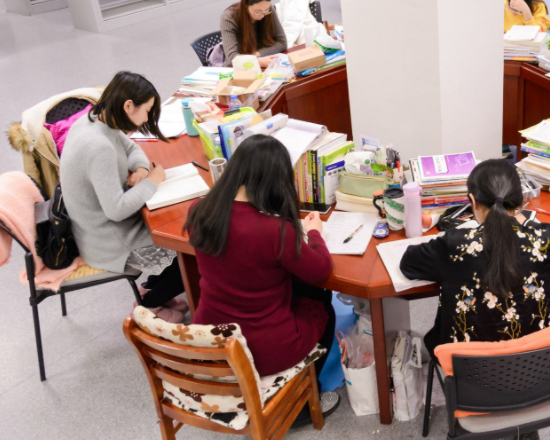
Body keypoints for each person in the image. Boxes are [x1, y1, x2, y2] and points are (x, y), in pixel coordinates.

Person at [186, 134, 340, 421]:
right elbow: (320, 270)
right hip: (265, 349)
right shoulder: (275, 230)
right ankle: (305, 405)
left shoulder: (199, 211)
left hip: (212, 339)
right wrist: (315, 232)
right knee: (321, 302)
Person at [400, 159, 550, 354]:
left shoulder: (455, 245)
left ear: (472, 202)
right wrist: (527, 223)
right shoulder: (544, 240)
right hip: (539, 364)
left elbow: (408, 264)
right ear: (519, 201)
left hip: (467, 370)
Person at [60, 71, 185, 321]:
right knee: (193, 246)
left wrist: (140, 168)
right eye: (147, 110)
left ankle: (153, 288)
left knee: (182, 236)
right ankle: (148, 304)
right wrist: (152, 180)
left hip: (96, 227)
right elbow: (116, 210)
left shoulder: (95, 120)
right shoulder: (99, 147)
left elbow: (130, 146)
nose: (147, 117)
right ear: (129, 106)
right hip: (109, 240)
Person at [220, 0, 288, 67]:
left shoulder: (269, 10)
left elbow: (282, 43)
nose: (262, 15)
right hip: (238, 70)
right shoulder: (229, 17)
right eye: (257, 11)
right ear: (245, 5)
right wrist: (257, 62)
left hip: (264, 63)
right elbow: (232, 58)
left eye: (265, 10)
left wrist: (258, 54)